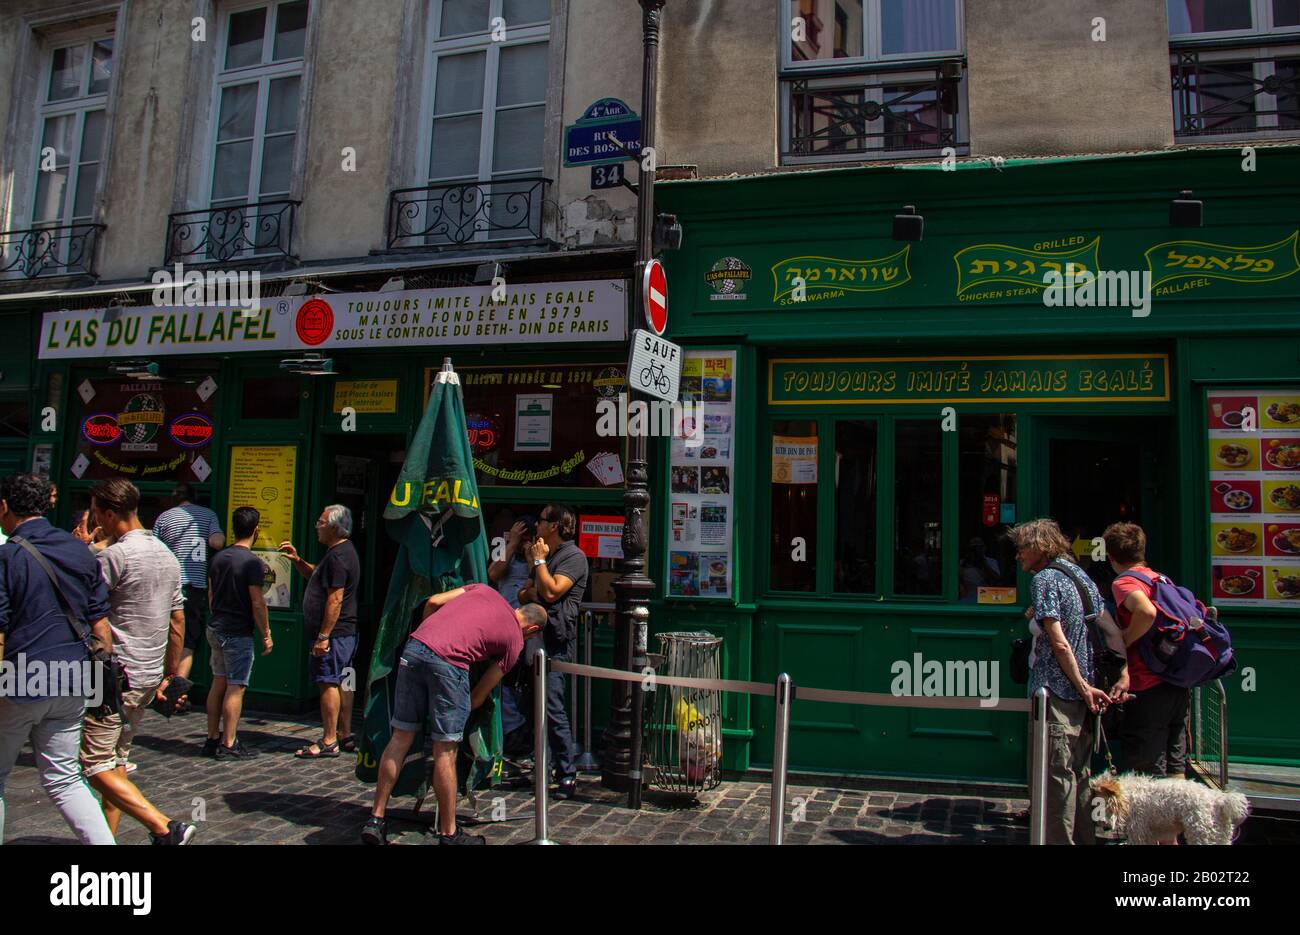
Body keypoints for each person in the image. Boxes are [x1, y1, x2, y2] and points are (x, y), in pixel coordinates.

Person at [362, 584, 545, 845]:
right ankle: (449, 833)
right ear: (532, 630)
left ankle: (376, 819)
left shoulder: (483, 589)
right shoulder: (515, 642)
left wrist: (430, 637)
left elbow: (434, 601)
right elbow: (480, 695)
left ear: (518, 609)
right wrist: (458, 713)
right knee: (445, 751)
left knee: (400, 738)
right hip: (449, 663)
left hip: (414, 648)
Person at [75, 478, 195, 844]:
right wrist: (169, 675)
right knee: (117, 761)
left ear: (110, 514)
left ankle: (163, 826)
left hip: (113, 677)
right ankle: (104, 840)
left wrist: (83, 553)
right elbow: (178, 622)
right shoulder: (167, 556)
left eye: (97, 514)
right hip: (146, 674)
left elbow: (84, 608)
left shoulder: (116, 557)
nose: (96, 521)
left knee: (94, 764)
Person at [0, 473, 116, 845]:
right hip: (74, 677)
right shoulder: (79, 551)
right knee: (65, 778)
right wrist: (102, 687)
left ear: (4, 507)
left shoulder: (8, 555)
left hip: (21, 676)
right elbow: (101, 625)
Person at [1009, 518, 1128, 846]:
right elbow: (1109, 630)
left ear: (1039, 547)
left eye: (1022, 548)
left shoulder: (1046, 579)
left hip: (1059, 693)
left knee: (1056, 780)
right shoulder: (1080, 575)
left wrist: (1081, 686)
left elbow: (1059, 642)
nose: (1018, 555)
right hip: (1085, 693)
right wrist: (1115, 677)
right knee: (1080, 773)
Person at [1103, 522, 1191, 780]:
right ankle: (1175, 819)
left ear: (1110, 556)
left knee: (1147, 766)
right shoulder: (1161, 579)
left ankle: (1150, 821)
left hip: (1147, 682)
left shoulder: (1125, 582)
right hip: (1173, 681)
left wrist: (1125, 641)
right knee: (1175, 764)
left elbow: (1146, 611)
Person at [518, 504, 589, 799]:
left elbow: (549, 591)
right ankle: (541, 766)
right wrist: (538, 579)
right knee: (531, 704)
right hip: (535, 638)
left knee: (552, 707)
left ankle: (566, 774)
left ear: (556, 526)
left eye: (542, 520)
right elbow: (525, 592)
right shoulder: (548, 557)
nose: (536, 524)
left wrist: (538, 565)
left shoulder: (573, 556)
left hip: (556, 643)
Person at [280, 505, 360, 758]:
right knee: (346, 679)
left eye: (321, 522)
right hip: (347, 633)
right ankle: (345, 733)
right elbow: (319, 576)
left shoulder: (338, 557)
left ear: (335, 527)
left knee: (328, 682)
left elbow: (334, 599)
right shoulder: (341, 552)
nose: (317, 526)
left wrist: (324, 636)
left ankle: (329, 739)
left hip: (335, 636)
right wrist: (299, 562)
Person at [204, 507, 273, 759]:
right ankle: (229, 742)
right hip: (236, 631)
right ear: (256, 530)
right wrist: (266, 633)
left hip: (216, 626)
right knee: (236, 686)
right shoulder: (251, 563)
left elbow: (211, 595)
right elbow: (257, 602)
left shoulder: (218, 558)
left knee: (217, 681)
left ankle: (212, 737)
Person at [152, 483, 225, 684]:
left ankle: (160, 681)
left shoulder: (164, 517)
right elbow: (216, 543)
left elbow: (154, 550)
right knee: (188, 640)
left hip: (168, 584)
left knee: (166, 634)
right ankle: (177, 688)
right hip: (195, 586)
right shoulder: (208, 515)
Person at [487, 515, 536, 754]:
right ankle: (510, 728)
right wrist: (512, 544)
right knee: (502, 677)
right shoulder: (504, 548)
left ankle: (521, 729)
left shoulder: (537, 552)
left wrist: (530, 558)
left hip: (529, 626)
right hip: (503, 623)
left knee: (524, 678)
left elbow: (537, 583)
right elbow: (493, 573)